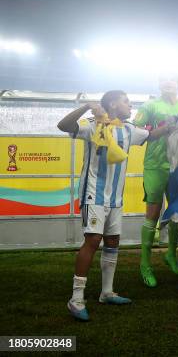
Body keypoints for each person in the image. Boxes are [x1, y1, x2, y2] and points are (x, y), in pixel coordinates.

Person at [58, 90, 169, 321]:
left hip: (115, 199)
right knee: (93, 240)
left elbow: (152, 136)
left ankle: (106, 292)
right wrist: (87, 107)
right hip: (93, 196)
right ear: (112, 104)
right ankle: (76, 299)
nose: (131, 105)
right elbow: (63, 125)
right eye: (126, 101)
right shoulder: (91, 125)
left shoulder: (128, 129)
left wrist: (173, 124)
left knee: (112, 242)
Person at [134, 73, 178, 288]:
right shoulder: (149, 106)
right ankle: (145, 264)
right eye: (164, 79)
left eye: (172, 78)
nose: (167, 82)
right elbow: (136, 132)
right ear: (159, 84)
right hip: (155, 166)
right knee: (152, 215)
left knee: (176, 213)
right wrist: (163, 129)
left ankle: (171, 255)